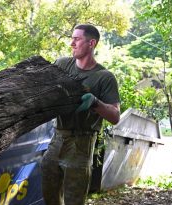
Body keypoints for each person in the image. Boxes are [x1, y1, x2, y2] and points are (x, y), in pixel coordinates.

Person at [41, 24, 120, 205]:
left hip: (81, 144)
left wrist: (95, 102)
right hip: (57, 138)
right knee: (49, 195)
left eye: (77, 39)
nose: (72, 43)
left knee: (74, 200)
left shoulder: (104, 77)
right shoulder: (62, 65)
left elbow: (115, 116)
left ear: (91, 43)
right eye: (72, 38)